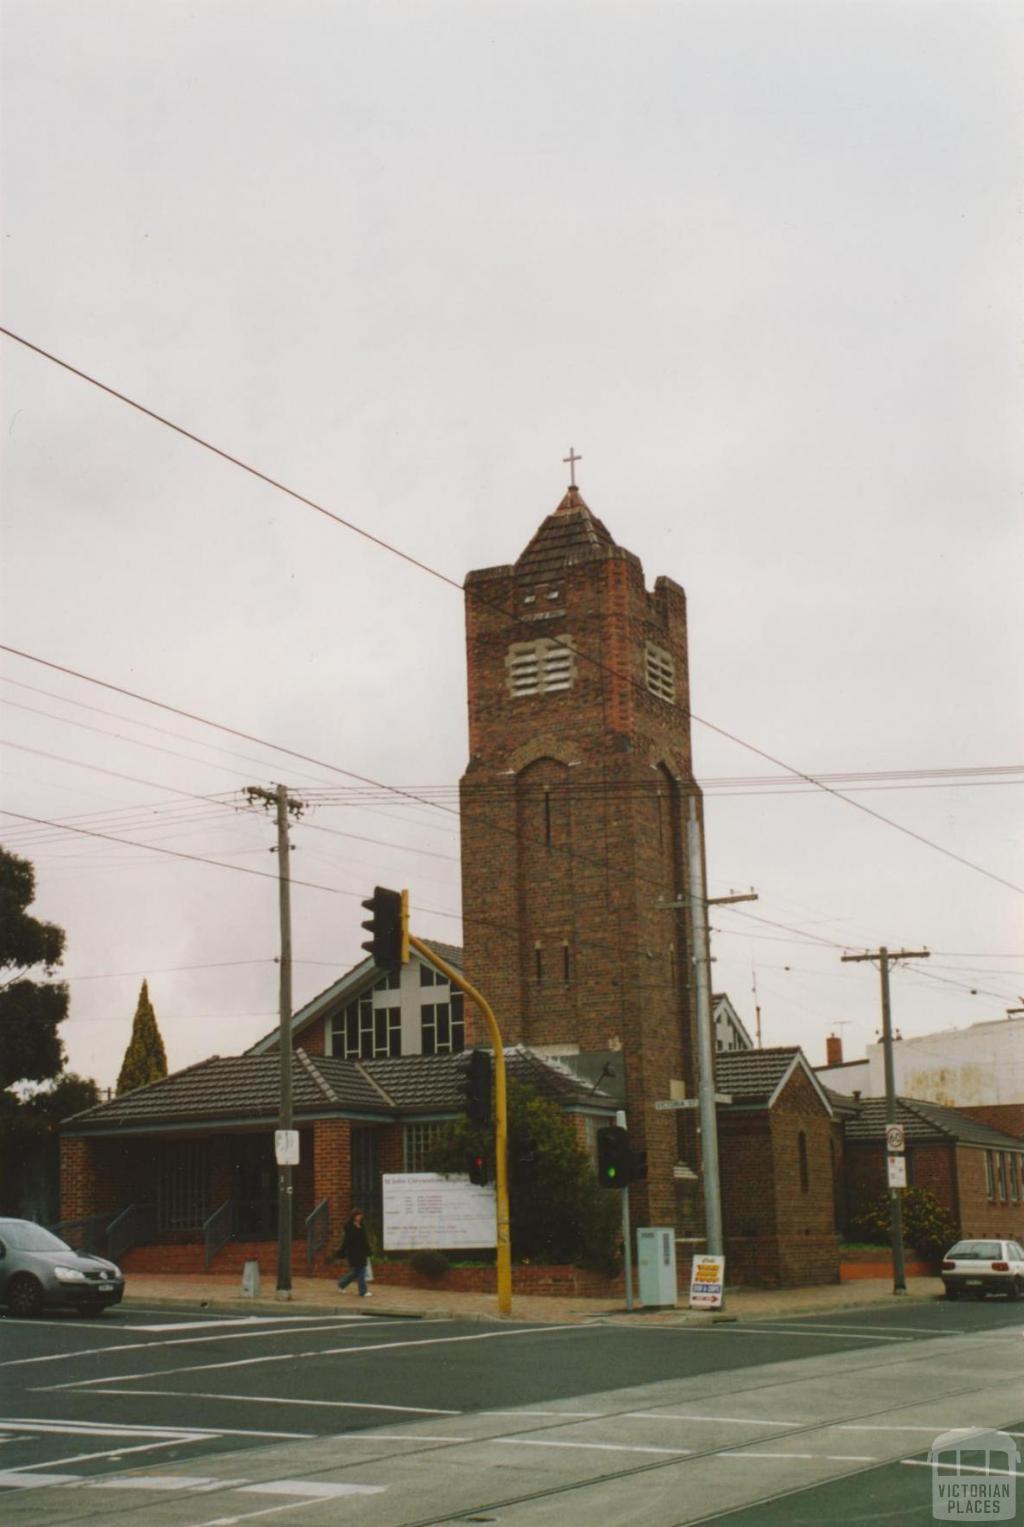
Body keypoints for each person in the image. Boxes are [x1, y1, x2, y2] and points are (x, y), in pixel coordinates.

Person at [337, 1208, 372, 1297]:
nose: (360, 1217)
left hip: (362, 1252)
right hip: (353, 1252)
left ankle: (342, 1284)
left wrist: (368, 1250)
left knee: (357, 1272)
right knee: (361, 1271)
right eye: (358, 1215)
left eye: (360, 1215)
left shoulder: (361, 1225)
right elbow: (347, 1241)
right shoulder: (349, 1227)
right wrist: (342, 1251)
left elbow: (365, 1240)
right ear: (353, 1216)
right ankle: (362, 1291)